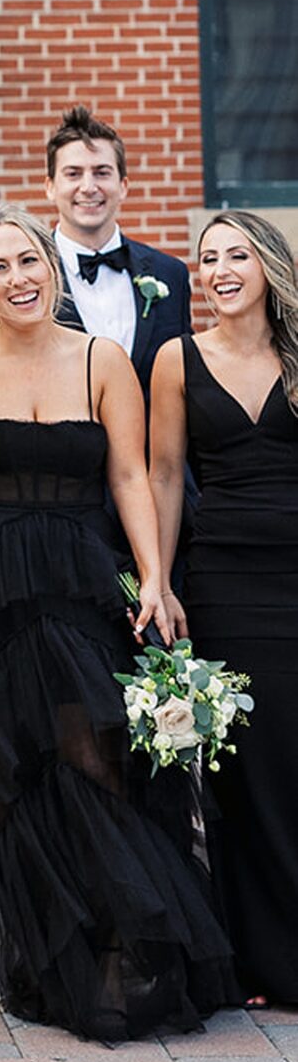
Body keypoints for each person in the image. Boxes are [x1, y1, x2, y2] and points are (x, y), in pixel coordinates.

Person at [0, 207, 234, 1041]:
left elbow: (130, 473)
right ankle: (55, 960)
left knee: (97, 760)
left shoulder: (100, 359)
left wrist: (154, 577)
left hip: (85, 582)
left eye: (26, 261)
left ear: (51, 268)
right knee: (18, 774)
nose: (15, 278)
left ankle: (130, 942)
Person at [150, 210, 298, 1009]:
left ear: (268, 265)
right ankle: (258, 959)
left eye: (236, 254)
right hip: (222, 581)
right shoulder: (176, 359)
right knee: (242, 769)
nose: (219, 269)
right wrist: (161, 580)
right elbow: (165, 474)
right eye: (207, 259)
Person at [45, 106, 190, 392]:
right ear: (50, 187)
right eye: (73, 174)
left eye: (101, 173)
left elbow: (185, 383)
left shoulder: (170, 274)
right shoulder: (21, 277)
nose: (88, 187)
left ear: (123, 186)